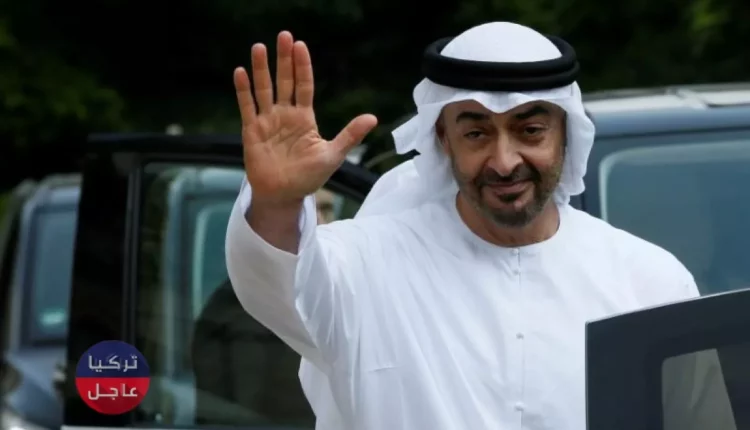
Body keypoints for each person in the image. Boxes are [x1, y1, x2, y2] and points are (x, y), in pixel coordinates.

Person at [225, 22, 735, 430]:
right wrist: (277, 201)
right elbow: (277, 284)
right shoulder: (362, 267)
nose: (505, 161)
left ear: (566, 134)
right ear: (443, 140)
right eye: (476, 133)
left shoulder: (649, 281)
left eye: (530, 130)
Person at [192, 190, 336, 425]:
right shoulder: (241, 309)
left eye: (326, 210)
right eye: (304, 211)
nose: (318, 221)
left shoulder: (340, 292)